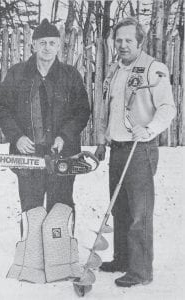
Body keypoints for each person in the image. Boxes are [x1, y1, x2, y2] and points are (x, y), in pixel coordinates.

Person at [0, 19, 90, 283]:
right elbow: (2, 107)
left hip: (62, 156)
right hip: (28, 156)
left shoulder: (70, 75)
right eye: (42, 43)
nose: (47, 48)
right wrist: (18, 136)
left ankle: (61, 265)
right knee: (32, 209)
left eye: (52, 43)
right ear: (33, 45)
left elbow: (82, 111)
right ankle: (32, 267)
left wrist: (64, 136)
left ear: (59, 45)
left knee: (60, 207)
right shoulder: (17, 74)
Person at [95, 17, 176, 287]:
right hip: (118, 148)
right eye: (118, 40)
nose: (122, 45)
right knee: (119, 208)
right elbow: (112, 109)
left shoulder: (154, 68)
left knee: (140, 212)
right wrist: (103, 139)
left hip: (140, 150)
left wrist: (150, 128)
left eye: (129, 40)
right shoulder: (114, 70)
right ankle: (122, 259)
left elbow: (167, 108)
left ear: (139, 42)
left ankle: (141, 271)